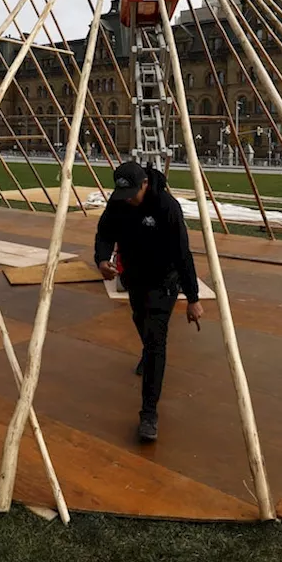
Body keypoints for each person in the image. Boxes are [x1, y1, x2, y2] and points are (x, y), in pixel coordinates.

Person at [94, 160, 203, 443]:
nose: (128, 199)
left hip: (163, 282)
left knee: (156, 341)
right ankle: (148, 352)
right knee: (139, 320)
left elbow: (183, 253)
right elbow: (105, 231)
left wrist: (193, 298)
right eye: (123, 194)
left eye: (132, 193)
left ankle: (149, 414)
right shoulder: (119, 202)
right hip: (134, 279)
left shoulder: (166, 207)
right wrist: (102, 258)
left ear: (144, 184)